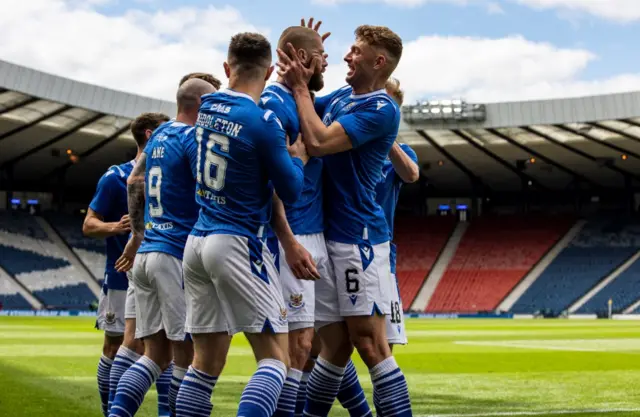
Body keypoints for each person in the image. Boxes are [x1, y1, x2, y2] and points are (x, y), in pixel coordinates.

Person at [277, 24, 413, 417]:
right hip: (326, 234)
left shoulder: (381, 109)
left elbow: (318, 141)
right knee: (333, 346)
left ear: (378, 61)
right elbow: (295, 111)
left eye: (355, 51)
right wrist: (304, 55)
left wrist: (302, 88)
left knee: (370, 346)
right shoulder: (340, 97)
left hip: (360, 239)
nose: (347, 57)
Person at [174, 32, 308, 417]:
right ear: (268, 71)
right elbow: (293, 190)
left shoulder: (205, 108)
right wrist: (297, 156)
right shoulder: (262, 120)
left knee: (205, 364)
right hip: (236, 241)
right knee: (275, 360)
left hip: (196, 242)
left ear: (226, 68)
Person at [108, 77, 219, 417]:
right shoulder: (192, 138)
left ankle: (115, 413)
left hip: (148, 251)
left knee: (155, 356)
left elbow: (133, 180)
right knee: (186, 357)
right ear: (200, 106)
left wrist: (138, 233)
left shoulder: (158, 136)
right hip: (174, 253)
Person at [259, 24, 329, 417]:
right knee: (297, 346)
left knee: (317, 345)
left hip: (311, 232)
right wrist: (288, 240)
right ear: (301, 58)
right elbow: (270, 182)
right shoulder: (275, 105)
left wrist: (313, 59)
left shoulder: (298, 100)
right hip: (293, 236)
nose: (326, 63)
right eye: (320, 56)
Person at [83, 112, 170, 417]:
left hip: (160, 268)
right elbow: (88, 224)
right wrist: (115, 228)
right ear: (149, 135)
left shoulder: (167, 173)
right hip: (121, 275)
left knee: (164, 348)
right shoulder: (115, 177)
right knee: (115, 345)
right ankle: (111, 411)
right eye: (164, 130)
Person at [376, 78, 419, 349]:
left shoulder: (401, 153)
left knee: (385, 341)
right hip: (339, 244)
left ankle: (386, 392)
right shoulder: (346, 143)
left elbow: (411, 174)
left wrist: (386, 137)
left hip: (381, 250)